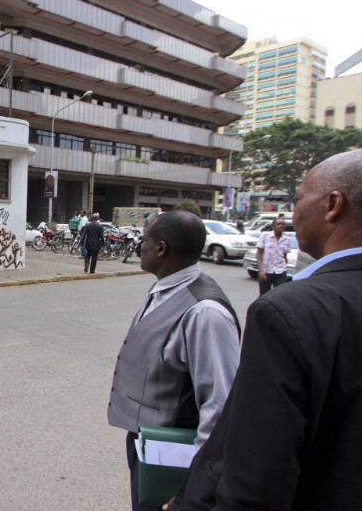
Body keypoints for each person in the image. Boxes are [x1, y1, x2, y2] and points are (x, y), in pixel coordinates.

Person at [168, 148, 362, 511]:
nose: (293, 214)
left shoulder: (289, 312)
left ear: (333, 205)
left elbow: (256, 477)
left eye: (298, 199)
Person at [107, 211, 241, 511]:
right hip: (149, 442)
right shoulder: (166, 287)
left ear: (162, 249)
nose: (139, 246)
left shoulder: (206, 313)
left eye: (144, 241)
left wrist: (196, 483)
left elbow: (220, 407)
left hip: (176, 457)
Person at [255, 218, 290, 294]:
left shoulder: (286, 239)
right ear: (273, 226)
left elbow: (284, 255)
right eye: (278, 224)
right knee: (264, 294)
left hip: (280, 271)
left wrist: (285, 267)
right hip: (266, 271)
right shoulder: (265, 236)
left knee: (279, 294)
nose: (280, 226)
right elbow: (258, 253)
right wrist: (261, 270)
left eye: (282, 224)